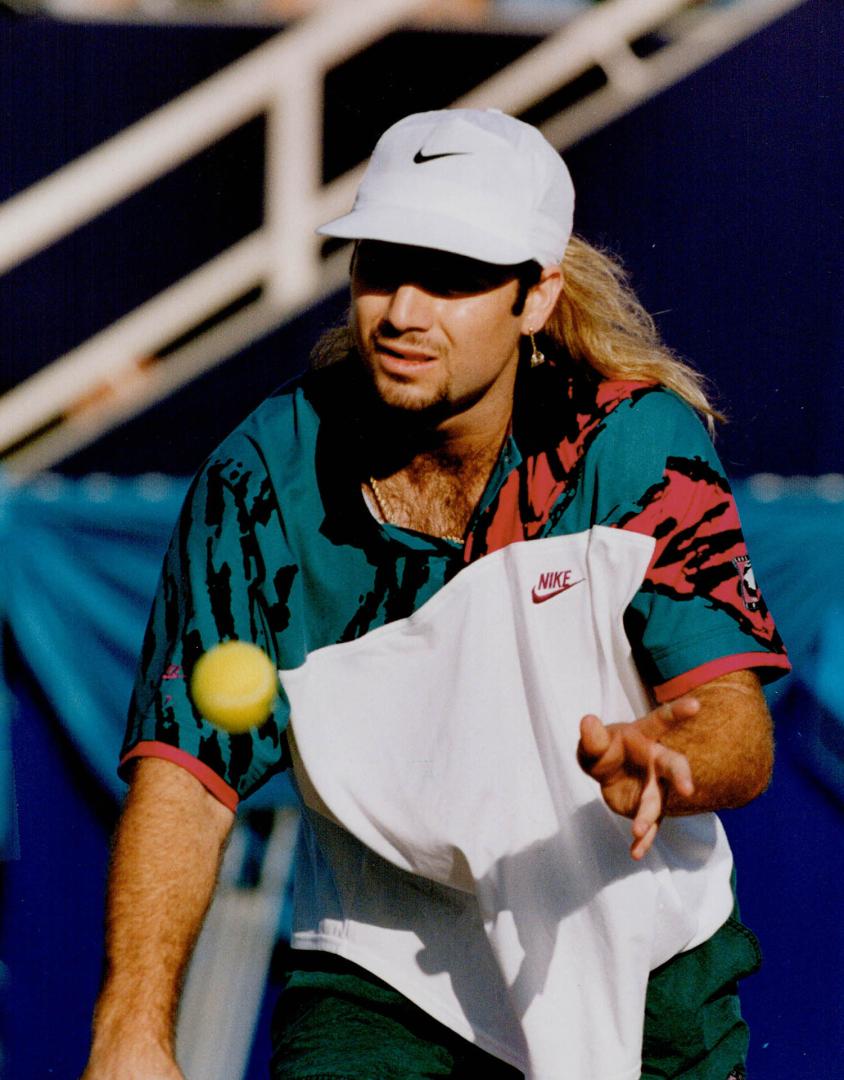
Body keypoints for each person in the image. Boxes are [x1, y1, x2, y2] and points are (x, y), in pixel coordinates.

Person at [83, 109, 790, 1080]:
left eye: (453, 276)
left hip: (644, 965)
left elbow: (735, 730)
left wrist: (668, 759)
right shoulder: (258, 477)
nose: (403, 311)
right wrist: (131, 1031)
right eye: (381, 266)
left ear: (535, 298)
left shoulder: (634, 447)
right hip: (375, 974)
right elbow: (185, 776)